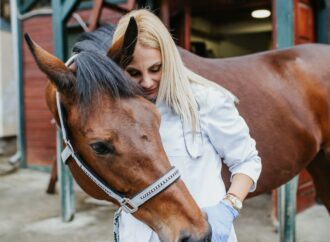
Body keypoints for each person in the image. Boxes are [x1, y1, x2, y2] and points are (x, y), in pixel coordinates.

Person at [110, 9, 262, 242]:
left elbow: (247, 161)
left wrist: (228, 207)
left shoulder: (205, 100)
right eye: (133, 72)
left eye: (155, 68)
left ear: (168, 60)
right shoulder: (116, 112)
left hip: (201, 233)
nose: (147, 82)